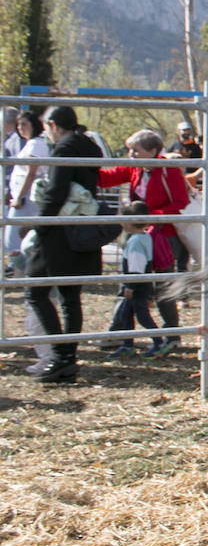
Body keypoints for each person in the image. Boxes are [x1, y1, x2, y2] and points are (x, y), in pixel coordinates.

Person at [25, 105, 105, 383]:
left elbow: (56, 191)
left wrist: (40, 225)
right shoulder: (88, 146)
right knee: (70, 297)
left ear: (53, 125)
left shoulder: (63, 148)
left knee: (35, 292)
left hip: (58, 232)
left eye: (46, 127)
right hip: (81, 229)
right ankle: (68, 358)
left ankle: (59, 357)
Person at [97, 129, 190, 351]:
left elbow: (180, 202)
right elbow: (108, 177)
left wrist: (150, 217)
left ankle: (171, 334)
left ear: (153, 151)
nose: (131, 154)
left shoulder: (168, 170)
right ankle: (118, 331)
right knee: (129, 281)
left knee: (164, 286)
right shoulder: (135, 167)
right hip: (139, 234)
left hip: (162, 237)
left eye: (135, 150)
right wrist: (82, 170)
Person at [107, 202, 170, 357]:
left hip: (137, 286)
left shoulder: (135, 242)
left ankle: (159, 343)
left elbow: (136, 267)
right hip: (140, 284)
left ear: (129, 222)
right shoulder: (145, 236)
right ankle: (128, 345)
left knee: (143, 316)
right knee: (126, 314)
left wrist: (130, 286)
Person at [6, 110, 49, 272]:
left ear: (34, 125)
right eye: (18, 124)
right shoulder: (32, 143)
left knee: (15, 237)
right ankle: (21, 273)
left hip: (26, 200)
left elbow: (31, 173)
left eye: (24, 124)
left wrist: (18, 196)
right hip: (23, 197)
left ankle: (25, 272)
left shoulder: (36, 144)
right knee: (15, 237)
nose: (20, 128)